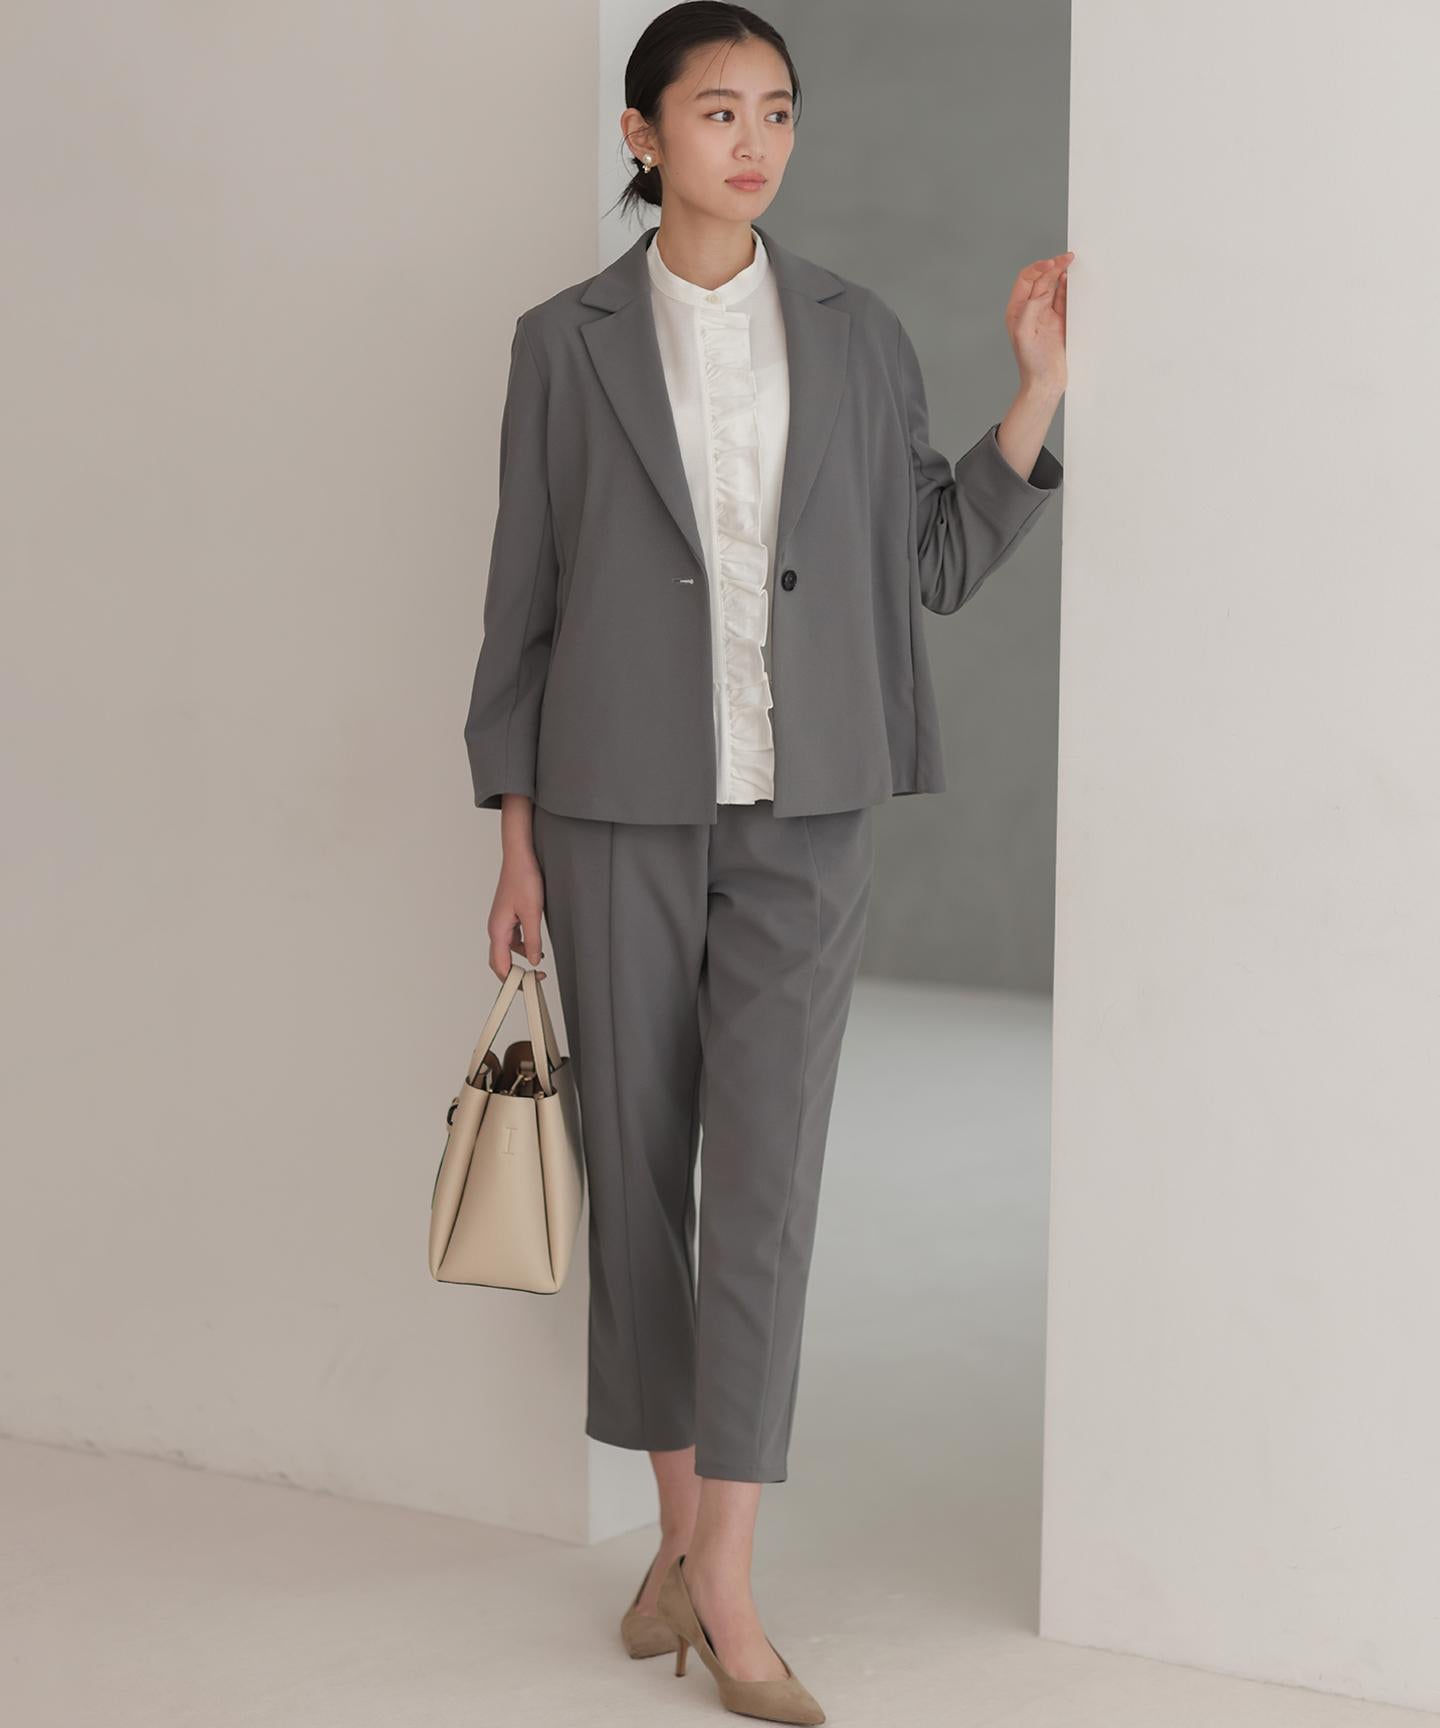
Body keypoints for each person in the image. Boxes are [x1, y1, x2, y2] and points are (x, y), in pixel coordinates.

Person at [462, 5, 1068, 1719]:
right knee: (639, 1171)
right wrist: (513, 836)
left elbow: (931, 557)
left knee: (768, 1185)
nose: (754, 139)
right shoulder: (564, 342)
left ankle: (723, 1571)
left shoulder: (858, 334)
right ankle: (676, 1536)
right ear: (644, 135)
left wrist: (1036, 387)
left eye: (778, 110)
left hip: (807, 812)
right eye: (718, 109)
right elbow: (523, 601)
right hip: (610, 809)